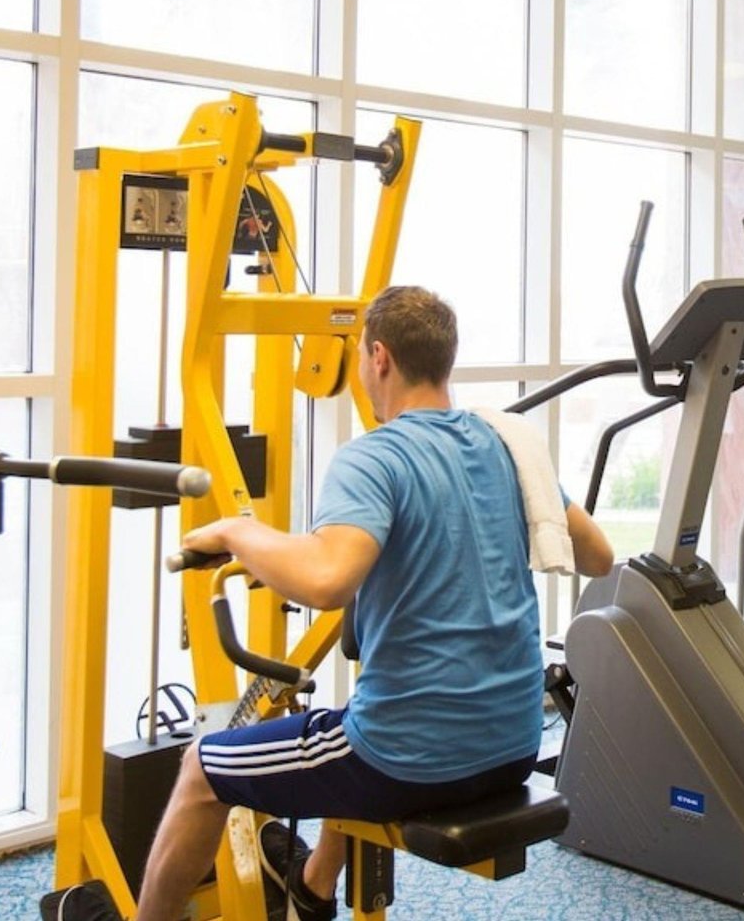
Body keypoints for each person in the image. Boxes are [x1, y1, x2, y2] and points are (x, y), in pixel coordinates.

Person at [82, 286, 614, 921]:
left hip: (410, 758)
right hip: (513, 744)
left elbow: (327, 581)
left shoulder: (374, 457)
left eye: (361, 354)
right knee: (343, 723)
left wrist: (235, 533)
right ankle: (311, 888)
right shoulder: (507, 445)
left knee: (202, 768)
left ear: (378, 357)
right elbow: (598, 556)